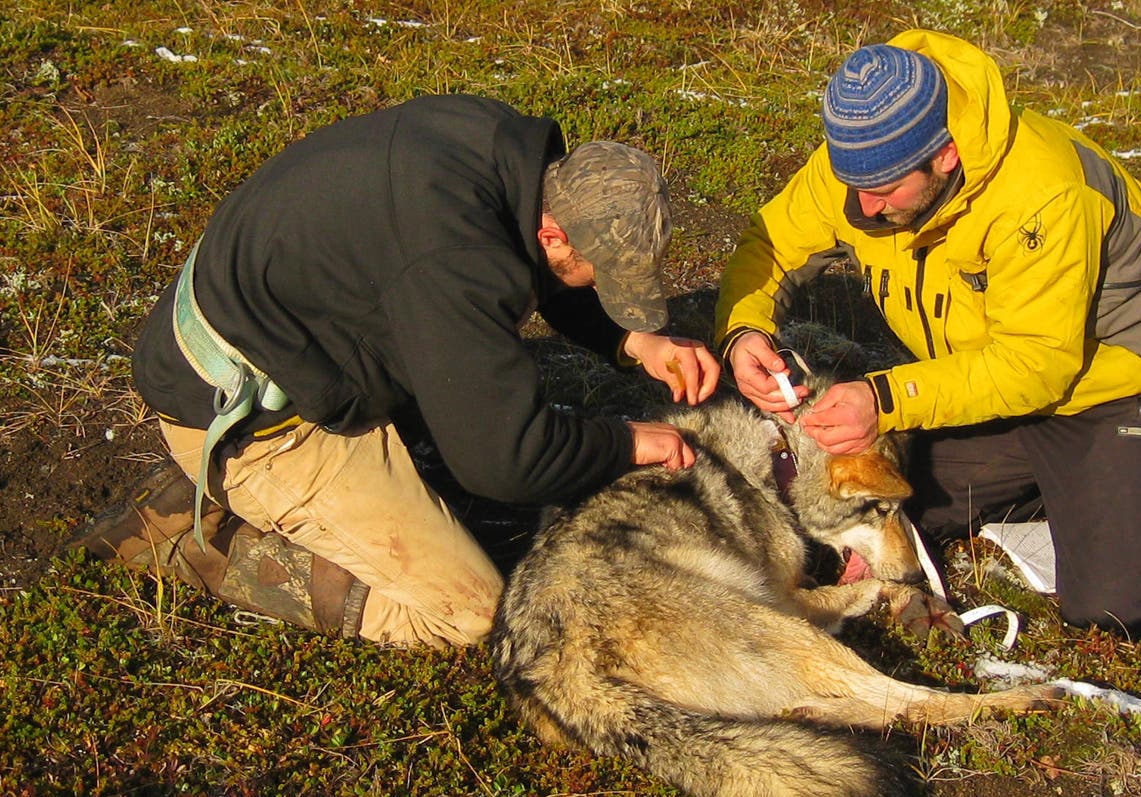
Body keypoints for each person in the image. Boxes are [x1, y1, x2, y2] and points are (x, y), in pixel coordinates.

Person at [75, 94, 720, 648]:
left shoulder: (501, 154)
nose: (606, 292)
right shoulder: (454, 259)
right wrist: (627, 441)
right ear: (553, 232)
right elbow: (504, 460)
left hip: (276, 344)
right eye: (601, 278)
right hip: (254, 420)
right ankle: (211, 543)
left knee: (470, 478)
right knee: (472, 613)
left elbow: (532, 271)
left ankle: (235, 488)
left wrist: (634, 340)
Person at [716, 30, 1141, 638]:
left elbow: (1038, 363)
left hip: (1112, 385)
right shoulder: (868, 158)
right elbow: (771, 243)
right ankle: (1089, 486)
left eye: (884, 193)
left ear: (946, 157)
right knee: (899, 503)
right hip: (984, 377)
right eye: (852, 186)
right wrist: (744, 329)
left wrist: (885, 400)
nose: (864, 208)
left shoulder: (1043, 195)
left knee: (1115, 602)